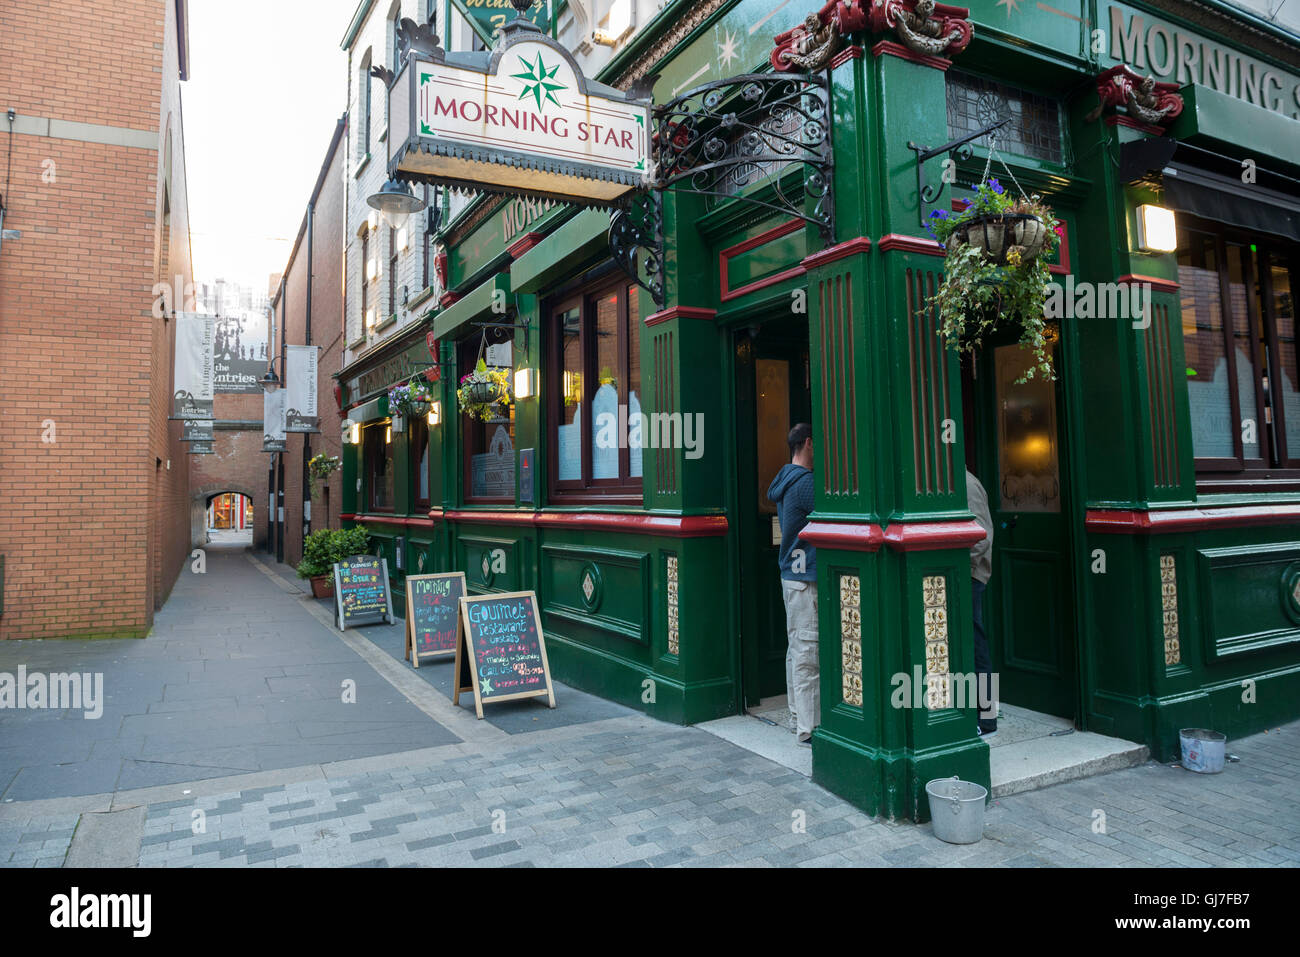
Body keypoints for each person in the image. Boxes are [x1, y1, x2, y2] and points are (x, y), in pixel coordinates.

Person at [767, 423, 819, 746]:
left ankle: (797, 715)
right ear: (808, 443)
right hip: (805, 579)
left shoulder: (785, 479)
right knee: (807, 654)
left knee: (796, 649)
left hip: (790, 576)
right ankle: (809, 728)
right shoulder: (806, 485)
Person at [966, 468, 997, 736]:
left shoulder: (967, 484)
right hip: (964, 576)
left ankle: (987, 718)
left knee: (977, 648)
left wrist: (958, 568)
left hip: (970, 576)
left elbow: (981, 537)